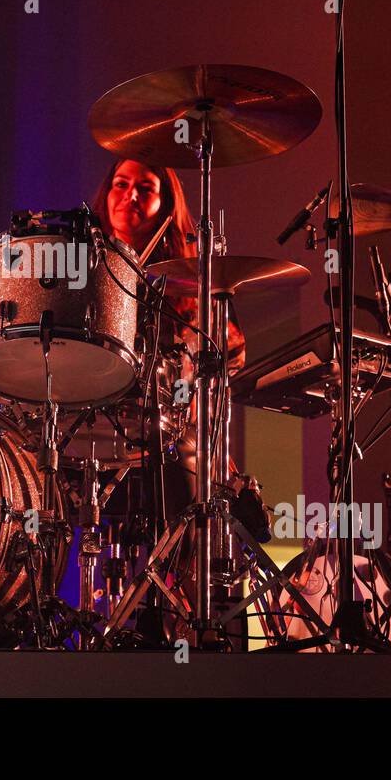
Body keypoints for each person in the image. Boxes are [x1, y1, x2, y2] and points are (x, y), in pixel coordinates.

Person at [88, 158, 272, 633]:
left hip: (165, 433)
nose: (127, 195)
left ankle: (187, 625)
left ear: (167, 207)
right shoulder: (82, 266)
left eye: (143, 188)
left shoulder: (186, 279)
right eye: (119, 184)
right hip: (88, 426)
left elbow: (231, 350)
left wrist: (194, 396)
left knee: (189, 470)